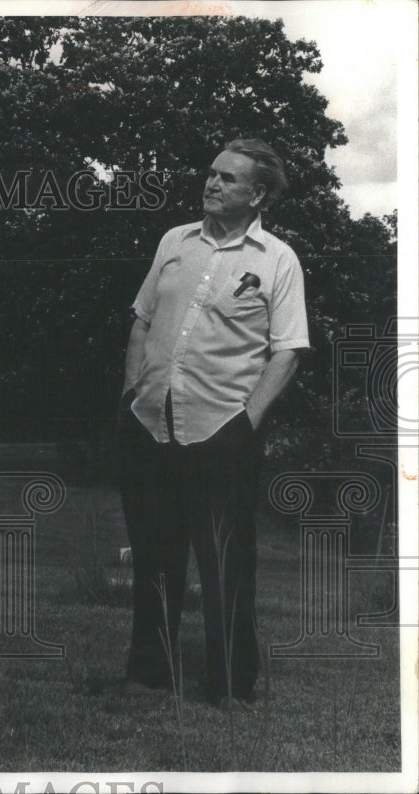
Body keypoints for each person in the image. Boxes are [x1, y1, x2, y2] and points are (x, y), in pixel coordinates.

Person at [118, 138, 310, 705]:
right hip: (150, 424)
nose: (212, 184)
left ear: (258, 193)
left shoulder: (277, 259)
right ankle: (149, 677)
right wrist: (132, 392)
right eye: (211, 174)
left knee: (225, 563)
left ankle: (230, 685)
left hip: (222, 432)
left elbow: (289, 351)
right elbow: (139, 320)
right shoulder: (174, 242)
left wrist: (246, 423)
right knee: (155, 556)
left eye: (228, 179)